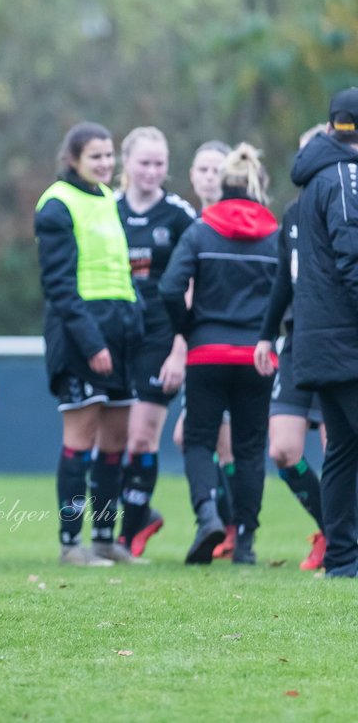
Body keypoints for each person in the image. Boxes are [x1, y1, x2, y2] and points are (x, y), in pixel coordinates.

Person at [161, 143, 277, 565]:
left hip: (207, 353)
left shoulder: (200, 230)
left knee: (197, 440)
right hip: (258, 356)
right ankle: (244, 542)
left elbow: (170, 288)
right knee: (249, 449)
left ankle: (208, 515)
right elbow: (291, 291)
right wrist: (270, 331)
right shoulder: (274, 235)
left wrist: (188, 327)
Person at [35, 122, 142, 566]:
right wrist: (91, 341)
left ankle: (104, 537)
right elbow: (59, 286)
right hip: (81, 335)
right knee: (81, 437)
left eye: (109, 154)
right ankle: (69, 542)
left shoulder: (108, 200)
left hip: (120, 331)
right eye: (96, 156)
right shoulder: (56, 204)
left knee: (116, 439)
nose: (105, 162)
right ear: (73, 159)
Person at [114, 128, 196, 557]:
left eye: (159, 163)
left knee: (142, 438)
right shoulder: (107, 210)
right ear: (126, 163)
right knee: (112, 438)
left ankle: (129, 535)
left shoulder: (180, 216)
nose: (151, 171)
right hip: (115, 335)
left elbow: (194, 283)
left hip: (160, 337)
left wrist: (180, 348)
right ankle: (120, 527)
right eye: (144, 162)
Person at [287, 87, 358, 577]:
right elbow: (352, 254)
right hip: (345, 341)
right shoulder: (345, 174)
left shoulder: (317, 173)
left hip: (321, 340)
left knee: (342, 453)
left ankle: (342, 560)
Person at [254, 163, 328, 572]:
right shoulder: (294, 213)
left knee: (340, 451)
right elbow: (285, 276)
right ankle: (331, 528)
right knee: (283, 450)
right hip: (298, 344)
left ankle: (341, 535)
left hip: (340, 343)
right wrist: (266, 335)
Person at [175, 140, 239, 557]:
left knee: (220, 441)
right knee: (199, 437)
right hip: (201, 347)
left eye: (217, 169)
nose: (209, 176)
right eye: (202, 169)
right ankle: (227, 523)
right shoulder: (192, 223)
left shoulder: (238, 223)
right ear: (193, 175)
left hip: (231, 347)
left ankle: (231, 526)